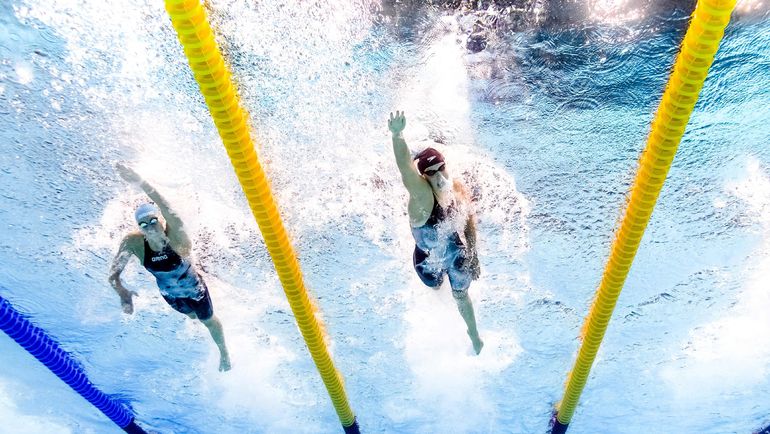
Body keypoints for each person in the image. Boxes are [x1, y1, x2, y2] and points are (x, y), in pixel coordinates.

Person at [108, 163, 232, 371]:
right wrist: (122, 293)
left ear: (161, 220)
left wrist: (139, 181)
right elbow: (113, 275)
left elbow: (165, 205)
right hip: (170, 295)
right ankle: (195, 310)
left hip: (194, 288)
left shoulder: (177, 238)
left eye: (153, 220)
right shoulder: (134, 243)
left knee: (207, 320)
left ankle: (224, 354)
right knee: (192, 316)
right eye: (144, 225)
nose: (150, 227)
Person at [388, 110, 484, 354]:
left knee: (461, 293)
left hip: (454, 252)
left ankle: (473, 334)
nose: (440, 176)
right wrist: (398, 135)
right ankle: (438, 294)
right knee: (434, 285)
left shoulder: (456, 188)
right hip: (427, 262)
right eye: (432, 172)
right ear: (424, 176)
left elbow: (469, 220)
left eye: (442, 168)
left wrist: (474, 254)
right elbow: (405, 169)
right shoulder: (422, 197)